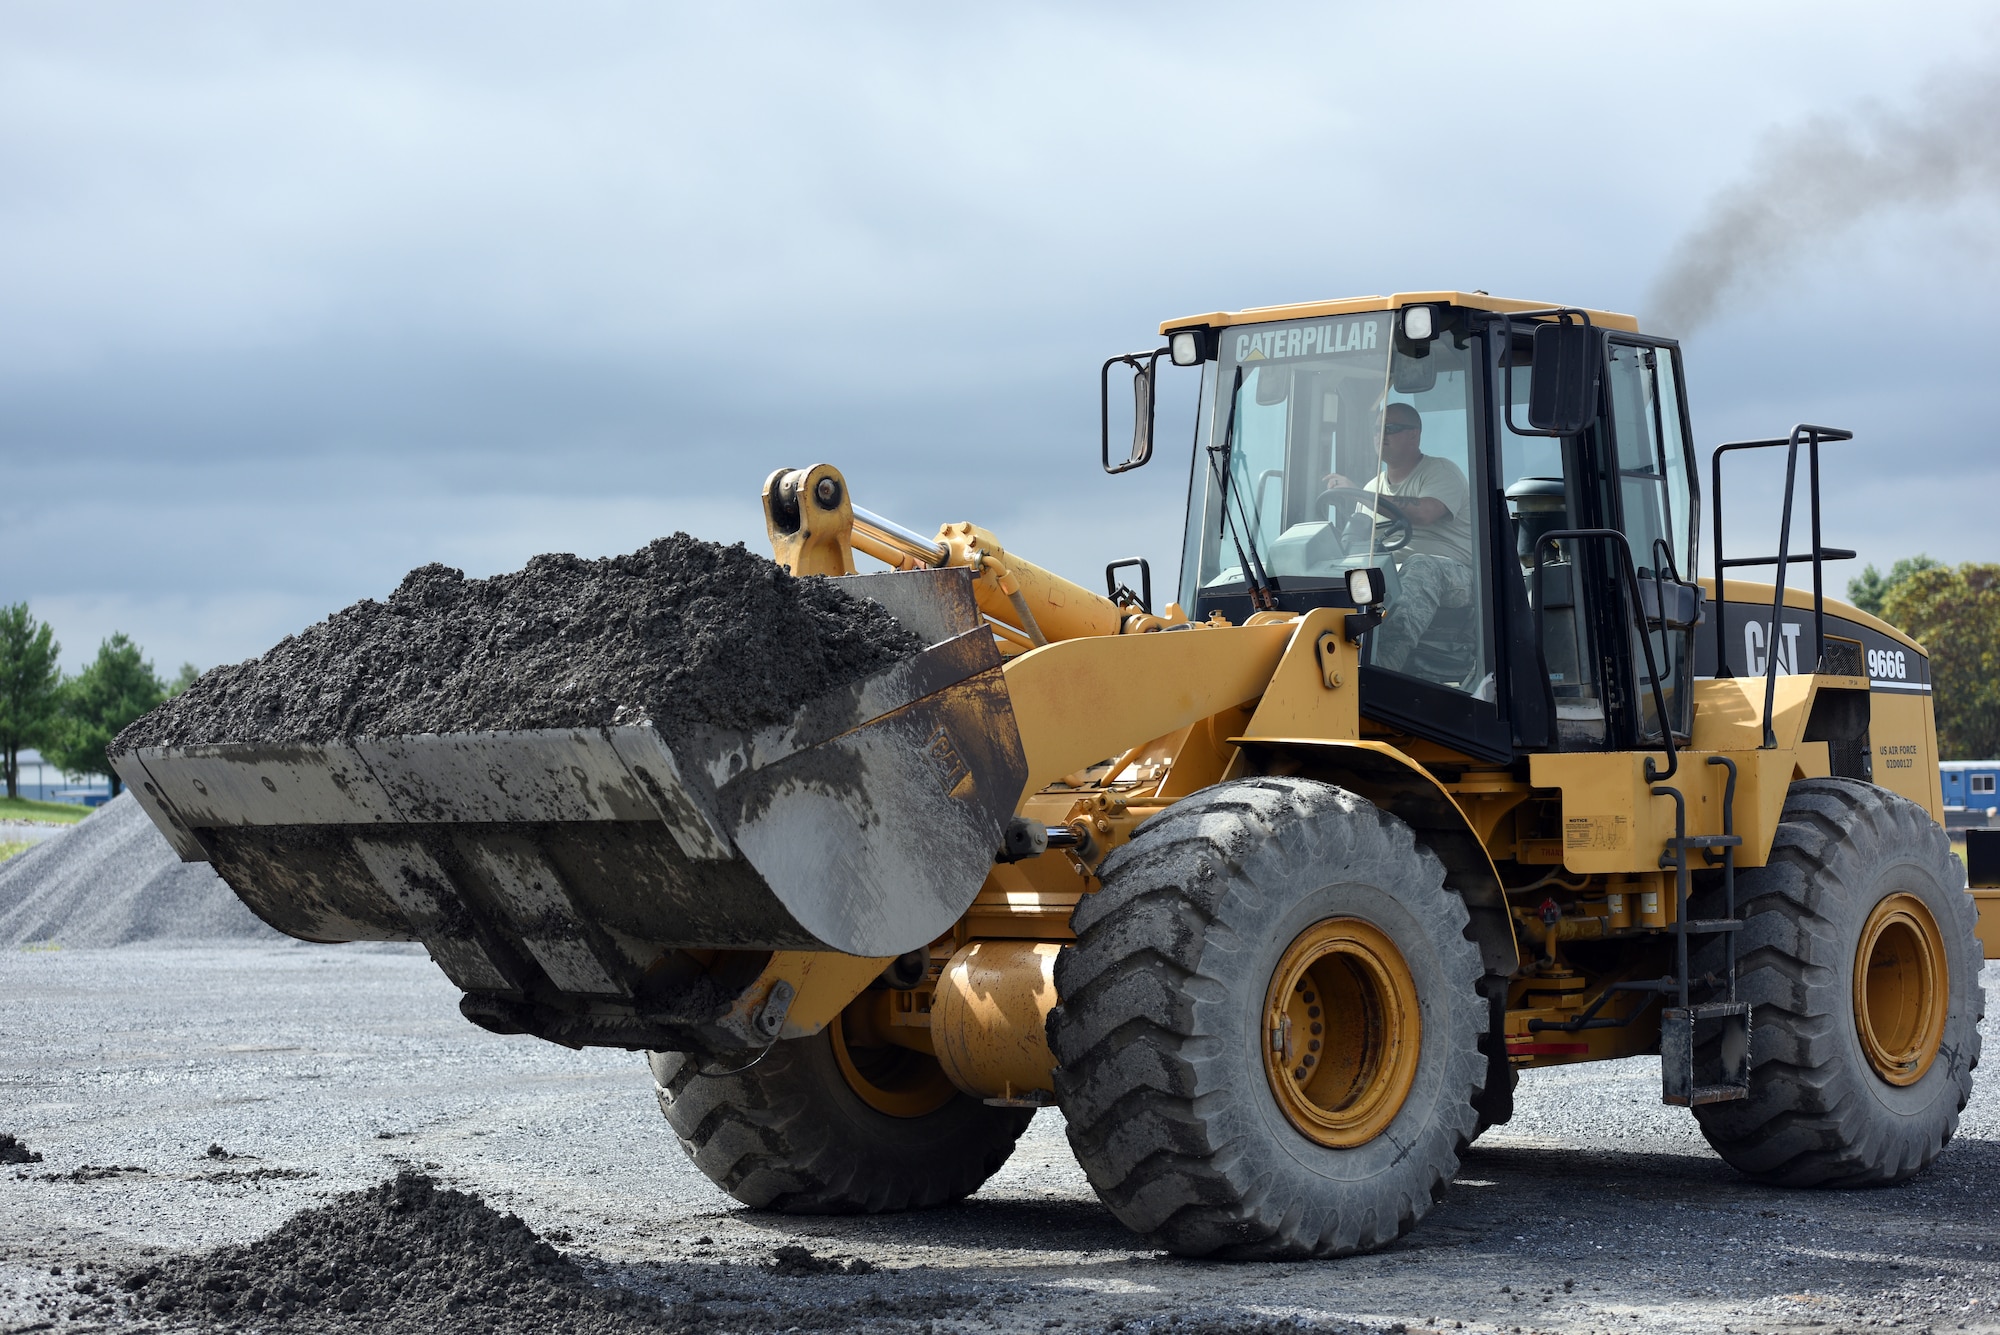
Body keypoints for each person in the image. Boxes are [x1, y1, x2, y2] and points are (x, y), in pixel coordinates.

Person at [1328, 402, 1473, 676]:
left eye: (1390, 429)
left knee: (1420, 566)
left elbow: (1426, 512)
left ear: (1413, 435)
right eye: (1376, 429)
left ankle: (1381, 671)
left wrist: (1363, 496)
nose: (1380, 436)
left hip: (1456, 576)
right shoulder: (1373, 487)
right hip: (1393, 575)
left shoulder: (1440, 471)